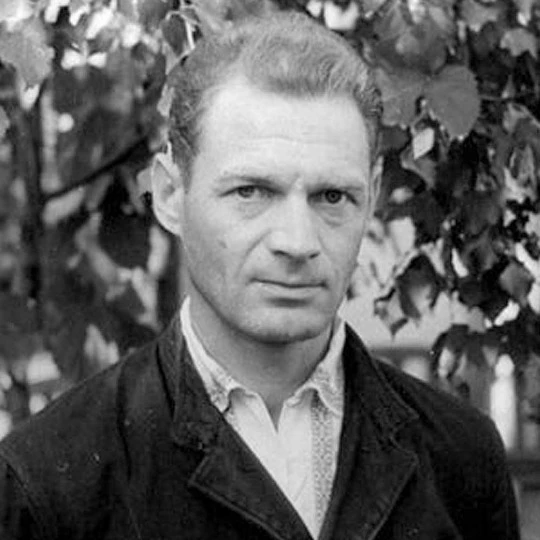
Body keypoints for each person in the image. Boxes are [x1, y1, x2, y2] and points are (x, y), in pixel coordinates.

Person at [0, 11, 520, 540]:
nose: (297, 241)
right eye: (250, 191)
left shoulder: (462, 459)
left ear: (371, 196)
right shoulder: (50, 484)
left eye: (332, 196)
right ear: (171, 194)